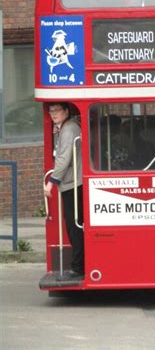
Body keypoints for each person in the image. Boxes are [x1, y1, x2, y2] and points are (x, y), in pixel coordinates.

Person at [43, 102, 84, 280]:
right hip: (72, 182)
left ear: (66, 111)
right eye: (51, 111)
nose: (53, 114)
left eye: (57, 110)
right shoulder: (67, 128)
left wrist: (51, 181)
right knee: (74, 224)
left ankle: (78, 267)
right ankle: (79, 264)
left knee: (74, 226)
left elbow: (63, 158)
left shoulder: (68, 130)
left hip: (73, 183)